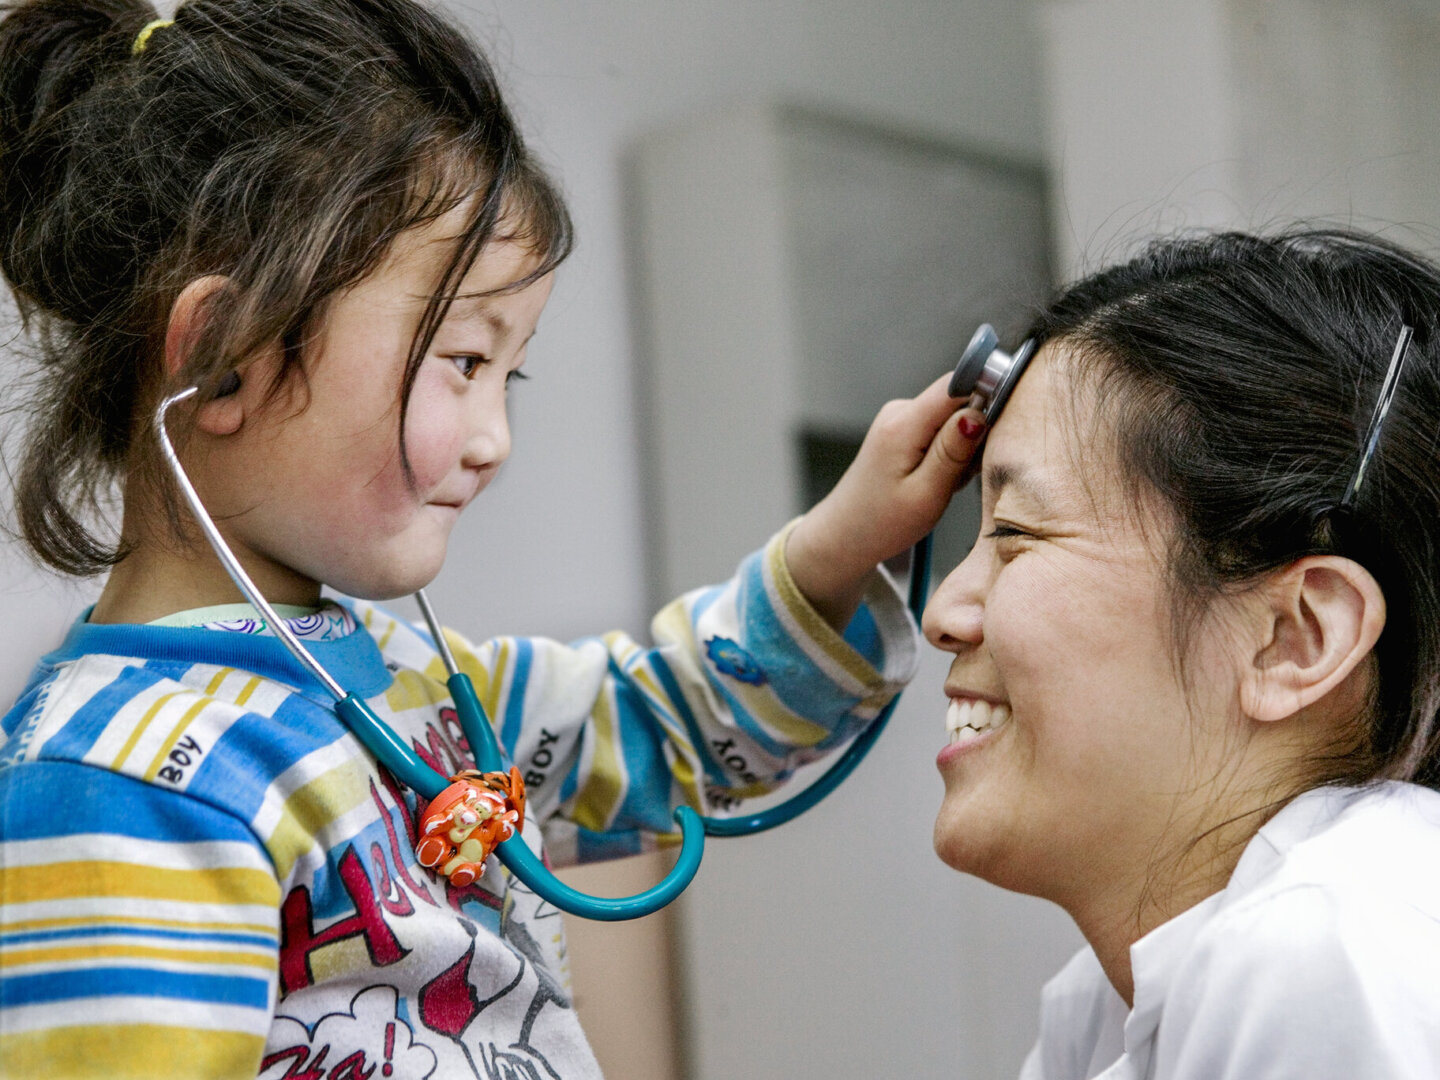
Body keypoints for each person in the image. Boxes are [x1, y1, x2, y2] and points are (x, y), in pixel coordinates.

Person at [0, 0, 984, 1076]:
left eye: (505, 375)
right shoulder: (122, 786)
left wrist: (847, 538)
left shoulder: (413, 678)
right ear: (229, 354)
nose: (495, 441)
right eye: (465, 361)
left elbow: (661, 723)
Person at [923, 228, 1440, 1080]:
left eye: (1016, 533)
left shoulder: (1333, 951)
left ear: (1294, 638)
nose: (945, 613)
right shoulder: (1103, 1008)